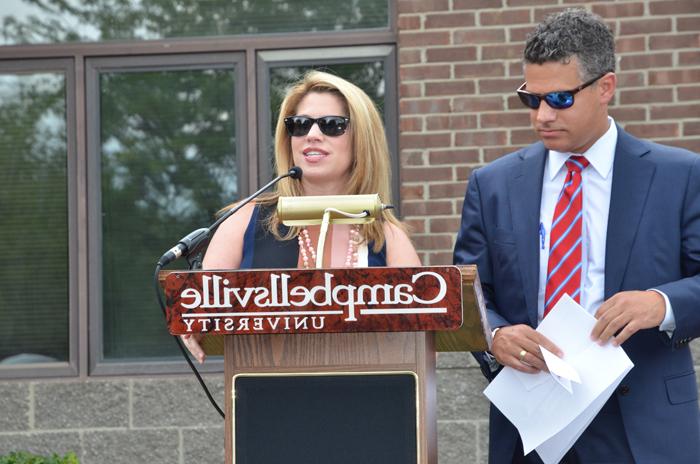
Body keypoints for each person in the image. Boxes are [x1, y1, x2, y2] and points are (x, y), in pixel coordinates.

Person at [453, 9, 700, 463]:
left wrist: (660, 304)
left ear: (605, 87)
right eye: (532, 99)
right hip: (533, 423)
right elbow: (469, 295)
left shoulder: (680, 176)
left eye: (560, 99)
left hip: (642, 426)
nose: (542, 116)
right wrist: (496, 336)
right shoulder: (492, 184)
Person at [183, 70, 421, 363]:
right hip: (267, 394)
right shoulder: (245, 220)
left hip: (366, 394)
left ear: (362, 140)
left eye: (332, 125)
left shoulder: (388, 237)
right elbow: (200, 304)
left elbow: (419, 338)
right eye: (300, 125)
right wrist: (194, 317)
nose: (312, 135)